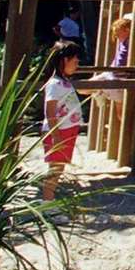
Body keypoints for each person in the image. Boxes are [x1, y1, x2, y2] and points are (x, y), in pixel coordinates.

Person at [41, 42, 83, 202]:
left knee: (59, 168)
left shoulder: (64, 82)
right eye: (75, 61)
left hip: (68, 130)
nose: (77, 64)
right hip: (59, 132)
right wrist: (55, 134)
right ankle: (47, 203)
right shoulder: (54, 84)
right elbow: (50, 110)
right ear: (65, 60)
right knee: (55, 169)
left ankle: (49, 202)